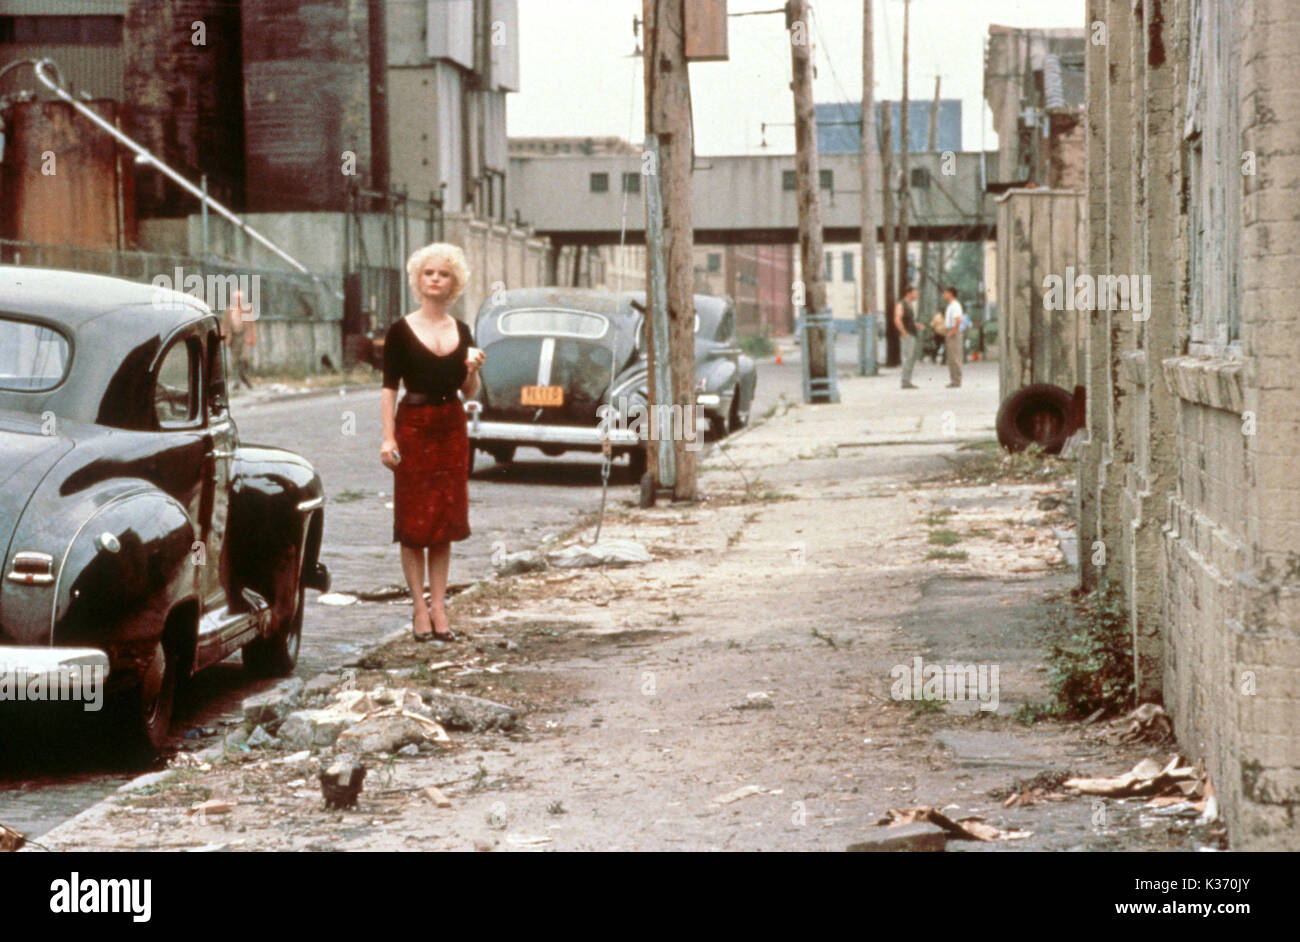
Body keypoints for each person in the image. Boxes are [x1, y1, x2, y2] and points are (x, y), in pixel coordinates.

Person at [380, 243, 486, 643]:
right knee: (413, 522)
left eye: (443, 274)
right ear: (418, 280)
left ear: (453, 282)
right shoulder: (400, 331)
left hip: (451, 426)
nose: (435, 279)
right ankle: (418, 607)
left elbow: (468, 390)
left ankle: (439, 605)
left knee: (444, 520)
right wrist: (387, 436)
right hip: (414, 425)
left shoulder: (462, 331)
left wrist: (472, 370)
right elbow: (389, 389)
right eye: (429, 273)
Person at [221, 289, 257, 390]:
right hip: (233, 337)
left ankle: (244, 378)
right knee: (234, 360)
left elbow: (252, 325)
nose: (237, 300)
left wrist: (252, 337)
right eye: (236, 298)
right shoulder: (228, 310)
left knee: (245, 359)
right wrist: (223, 336)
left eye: (239, 298)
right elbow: (224, 325)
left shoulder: (247, 309)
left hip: (244, 337)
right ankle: (238, 381)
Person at [894, 284, 920, 388]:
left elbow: (909, 320)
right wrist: (904, 332)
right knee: (907, 358)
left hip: (912, 334)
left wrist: (916, 325)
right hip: (907, 335)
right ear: (909, 293)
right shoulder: (901, 304)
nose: (916, 295)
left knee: (911, 358)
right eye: (915, 293)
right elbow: (897, 319)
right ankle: (905, 381)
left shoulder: (910, 305)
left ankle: (908, 380)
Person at [942, 285, 965, 388]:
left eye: (945, 293)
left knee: (955, 357)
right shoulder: (950, 305)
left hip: (953, 331)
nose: (944, 295)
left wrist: (952, 331)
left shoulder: (955, 305)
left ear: (950, 293)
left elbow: (958, 320)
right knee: (951, 357)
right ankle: (953, 379)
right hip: (950, 330)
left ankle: (957, 380)